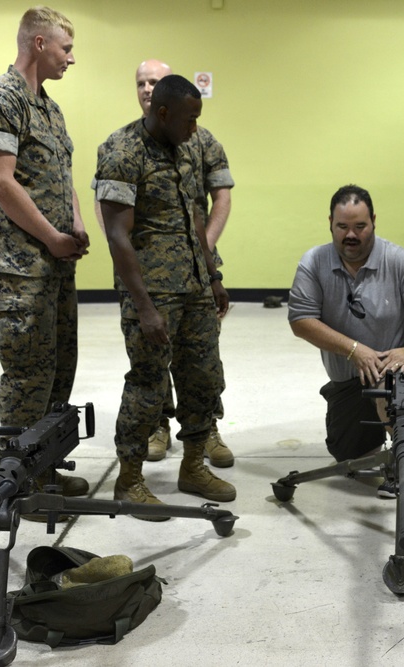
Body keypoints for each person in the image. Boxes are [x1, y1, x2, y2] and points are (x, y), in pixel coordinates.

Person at [96, 74, 234, 519]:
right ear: (162, 113)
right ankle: (129, 480)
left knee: (203, 376)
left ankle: (193, 466)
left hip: (193, 286)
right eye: (190, 119)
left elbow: (196, 211)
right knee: (148, 384)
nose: (195, 128)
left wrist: (212, 275)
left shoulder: (189, 147)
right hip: (152, 291)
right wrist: (144, 307)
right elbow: (117, 235)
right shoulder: (122, 151)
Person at [0, 6, 90, 498]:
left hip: (54, 262)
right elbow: (0, 181)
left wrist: (76, 224)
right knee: (26, 375)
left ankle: (45, 468)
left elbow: (60, 175)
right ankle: (17, 484)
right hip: (19, 266)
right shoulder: (0, 98)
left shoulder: (49, 107)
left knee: (60, 366)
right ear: (39, 44)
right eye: (66, 48)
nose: (71, 59)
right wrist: (51, 237)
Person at [288, 185, 404, 497]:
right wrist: (353, 350)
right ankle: (378, 435)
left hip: (403, 363)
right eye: (343, 227)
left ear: (374, 222)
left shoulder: (400, 261)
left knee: (391, 385)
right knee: (348, 456)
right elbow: (300, 320)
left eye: (360, 226)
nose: (351, 235)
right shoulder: (314, 262)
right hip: (349, 378)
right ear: (330, 223)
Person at [129, 59, 235, 467]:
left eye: (154, 81)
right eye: (140, 82)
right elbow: (113, 214)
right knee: (151, 356)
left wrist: (201, 251)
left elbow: (220, 197)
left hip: (198, 268)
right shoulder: (125, 146)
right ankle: (158, 424)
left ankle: (206, 427)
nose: (146, 88)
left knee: (201, 357)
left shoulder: (202, 139)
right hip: (149, 273)